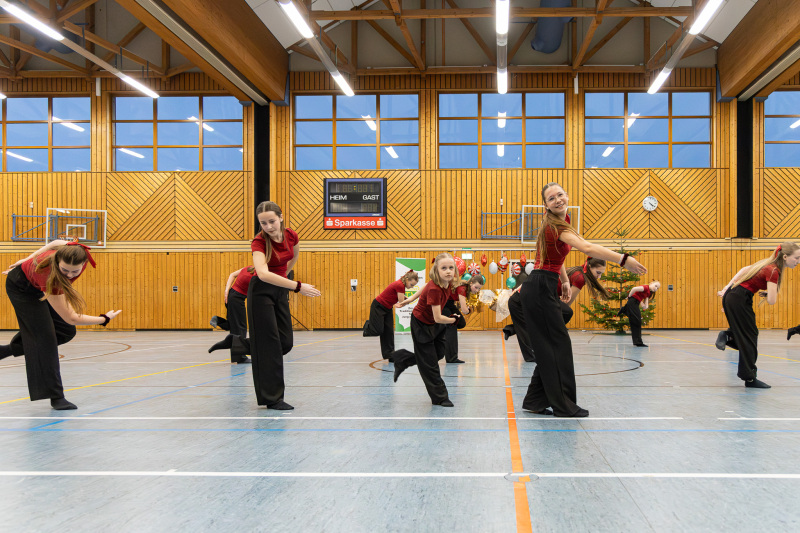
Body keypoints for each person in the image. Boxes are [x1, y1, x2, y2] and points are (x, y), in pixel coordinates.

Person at [520, 182, 645, 418]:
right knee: (558, 347)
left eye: (560, 195)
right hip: (539, 287)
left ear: (567, 196)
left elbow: (552, 257)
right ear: (546, 205)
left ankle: (535, 400)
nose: (557, 200)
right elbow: (587, 248)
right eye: (551, 198)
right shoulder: (555, 225)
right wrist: (623, 259)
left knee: (551, 347)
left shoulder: (562, 222)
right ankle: (563, 405)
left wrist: (564, 280)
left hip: (543, 284)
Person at [210, 201, 320, 409]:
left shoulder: (291, 235)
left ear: (281, 217)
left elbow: (294, 256)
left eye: (272, 221)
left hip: (279, 288)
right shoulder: (259, 242)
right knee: (269, 346)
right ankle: (272, 399)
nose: (268, 227)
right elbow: (262, 273)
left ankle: (236, 343)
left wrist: (284, 277)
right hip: (261, 292)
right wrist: (297, 286)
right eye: (263, 223)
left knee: (285, 343)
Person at [1, 240, 121, 410]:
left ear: (84, 263)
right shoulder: (51, 276)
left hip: (37, 282)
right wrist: (104, 319)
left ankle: (5, 351)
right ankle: (56, 397)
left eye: (75, 271)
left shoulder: (76, 252)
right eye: (65, 270)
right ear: (57, 261)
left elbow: (56, 242)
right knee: (45, 340)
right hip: (21, 287)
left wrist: (26, 260)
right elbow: (71, 317)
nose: (70, 275)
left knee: (65, 331)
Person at [716, 243, 800, 388]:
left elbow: (744, 270)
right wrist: (770, 293)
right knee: (749, 338)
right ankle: (749, 378)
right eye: (797, 258)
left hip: (734, 295)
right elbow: (772, 301)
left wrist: (726, 288)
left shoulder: (768, 264)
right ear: (785, 257)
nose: (798, 261)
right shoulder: (773, 270)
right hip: (739, 298)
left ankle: (730, 336)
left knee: (749, 336)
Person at [505, 257, 610, 361]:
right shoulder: (579, 278)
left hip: (533, 298)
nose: (599, 276)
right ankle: (514, 329)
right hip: (521, 301)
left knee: (559, 315)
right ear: (589, 267)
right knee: (565, 313)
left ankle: (512, 328)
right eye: (598, 272)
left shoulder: (576, 271)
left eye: (601, 274)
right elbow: (567, 303)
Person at [391, 253, 460, 407]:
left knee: (438, 354)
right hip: (421, 324)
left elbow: (424, 287)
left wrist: (409, 300)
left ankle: (403, 360)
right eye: (444, 268)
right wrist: (453, 319)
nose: (448, 271)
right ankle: (440, 397)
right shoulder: (435, 289)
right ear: (436, 270)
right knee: (430, 364)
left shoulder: (445, 283)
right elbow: (438, 318)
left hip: (433, 323)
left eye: (451, 268)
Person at [363, 270, 419, 361]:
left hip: (387, 308)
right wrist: (408, 301)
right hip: (378, 306)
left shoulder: (401, 284)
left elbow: (399, 297)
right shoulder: (400, 285)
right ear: (407, 279)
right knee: (378, 330)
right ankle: (367, 326)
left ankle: (390, 354)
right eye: (411, 285)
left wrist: (406, 300)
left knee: (388, 332)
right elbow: (401, 302)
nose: (411, 287)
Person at [211, 266, 255, 364]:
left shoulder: (248, 268)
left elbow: (232, 274)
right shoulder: (256, 275)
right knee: (240, 328)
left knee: (233, 326)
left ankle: (218, 320)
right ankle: (240, 357)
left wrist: (227, 290)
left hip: (231, 295)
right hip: (237, 299)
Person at [441, 274, 484, 364]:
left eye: (479, 289)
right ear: (471, 283)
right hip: (443, 303)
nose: (477, 290)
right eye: (476, 287)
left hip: (450, 303)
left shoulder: (466, 289)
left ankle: (443, 330)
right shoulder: (463, 289)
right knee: (452, 325)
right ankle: (451, 358)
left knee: (461, 323)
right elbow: (464, 310)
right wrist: (469, 311)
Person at [619, 280, 661, 347]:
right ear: (651, 283)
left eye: (657, 288)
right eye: (655, 286)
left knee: (637, 321)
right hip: (632, 302)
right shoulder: (645, 288)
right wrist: (629, 297)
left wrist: (645, 306)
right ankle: (638, 342)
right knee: (636, 321)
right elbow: (634, 289)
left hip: (636, 303)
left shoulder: (648, 293)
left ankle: (625, 309)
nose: (656, 288)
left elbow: (645, 304)